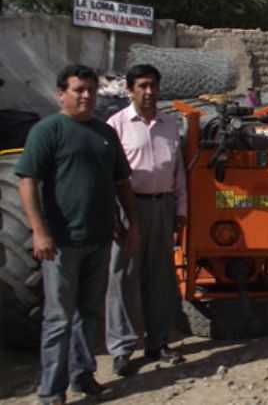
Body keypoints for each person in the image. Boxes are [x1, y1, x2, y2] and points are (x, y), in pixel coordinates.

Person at [15, 64, 140, 404]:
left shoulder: (104, 133)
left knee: (90, 313)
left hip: (99, 240)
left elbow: (120, 183)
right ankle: (51, 392)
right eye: (78, 90)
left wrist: (130, 222)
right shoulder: (48, 131)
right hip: (60, 244)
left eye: (90, 90)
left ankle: (82, 376)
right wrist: (39, 232)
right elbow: (28, 181)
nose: (86, 96)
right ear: (61, 93)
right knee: (58, 319)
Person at [104, 64, 187, 377]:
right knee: (123, 279)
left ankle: (158, 341)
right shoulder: (116, 125)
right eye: (142, 86)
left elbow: (179, 174)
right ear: (130, 88)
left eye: (153, 85)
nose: (149, 92)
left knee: (160, 278)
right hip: (129, 209)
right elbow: (108, 176)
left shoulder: (170, 125)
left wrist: (181, 211)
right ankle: (123, 348)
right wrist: (115, 215)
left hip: (163, 207)